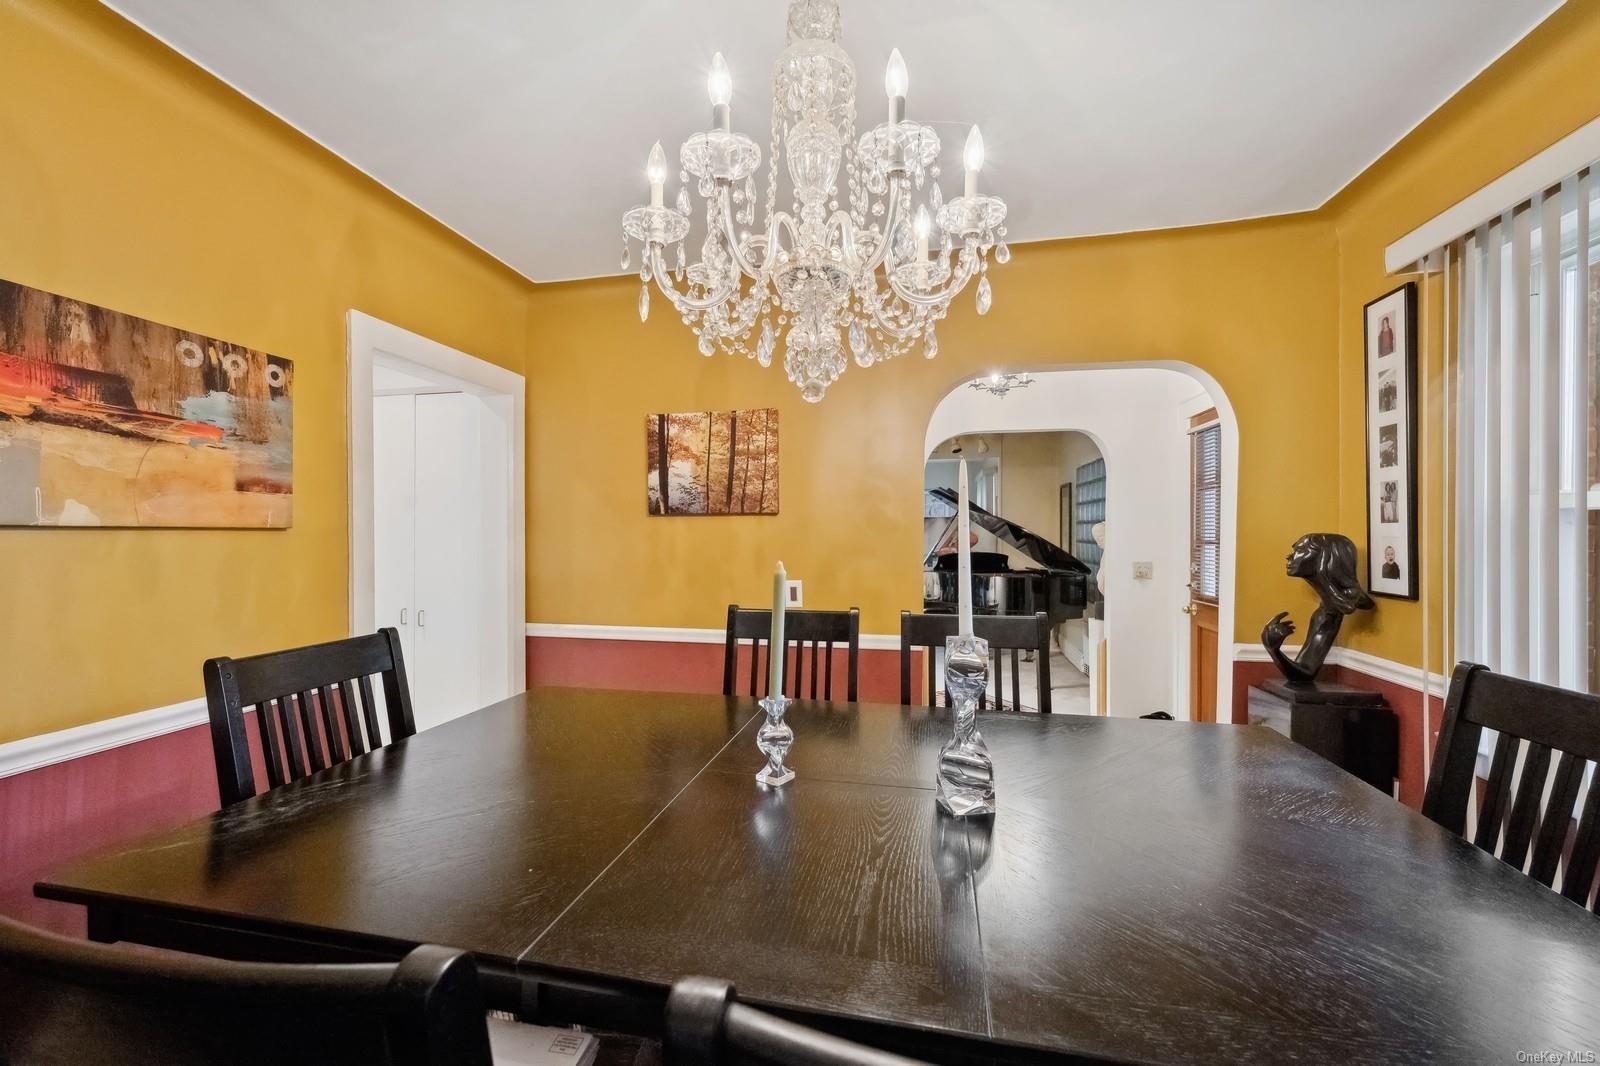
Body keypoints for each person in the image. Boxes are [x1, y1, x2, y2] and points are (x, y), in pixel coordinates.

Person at [1262, 533, 1376, 687]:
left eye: (1300, 550)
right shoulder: (1325, 611)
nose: (1290, 556)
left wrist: (1273, 650)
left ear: (1324, 559)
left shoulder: (1329, 615)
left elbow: (1304, 675)